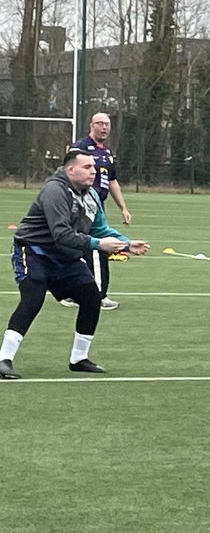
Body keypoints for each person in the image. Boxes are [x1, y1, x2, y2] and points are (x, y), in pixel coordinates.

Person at [0, 147, 148, 379]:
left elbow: (100, 228)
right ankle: (3, 359)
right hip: (34, 251)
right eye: (87, 167)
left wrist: (127, 244)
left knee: (92, 296)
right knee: (33, 297)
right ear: (70, 169)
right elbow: (61, 234)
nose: (94, 172)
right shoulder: (55, 191)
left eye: (95, 168)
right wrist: (99, 245)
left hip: (65, 257)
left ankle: (79, 358)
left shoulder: (92, 195)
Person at [63, 112, 132, 311]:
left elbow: (112, 181)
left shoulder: (108, 153)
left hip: (97, 205)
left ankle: (72, 292)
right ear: (91, 125)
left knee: (81, 247)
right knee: (97, 248)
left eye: (107, 124)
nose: (104, 127)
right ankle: (98, 295)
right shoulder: (80, 148)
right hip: (82, 205)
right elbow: (68, 174)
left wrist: (123, 208)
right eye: (100, 123)